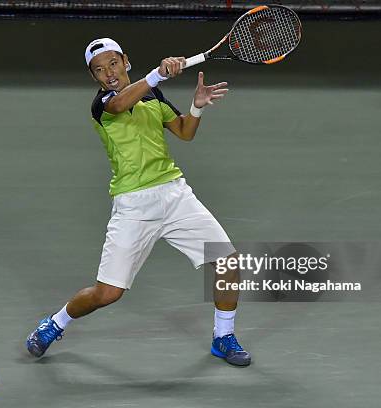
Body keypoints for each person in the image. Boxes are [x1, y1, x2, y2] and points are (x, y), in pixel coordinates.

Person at [26, 38, 251, 366]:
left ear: (126, 62)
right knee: (107, 294)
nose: (109, 73)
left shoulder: (154, 95)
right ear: (95, 78)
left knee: (227, 263)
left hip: (175, 196)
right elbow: (119, 105)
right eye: (99, 70)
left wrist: (197, 106)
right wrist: (156, 74)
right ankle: (55, 323)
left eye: (113, 63)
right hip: (133, 206)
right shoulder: (102, 105)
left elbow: (185, 132)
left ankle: (223, 337)